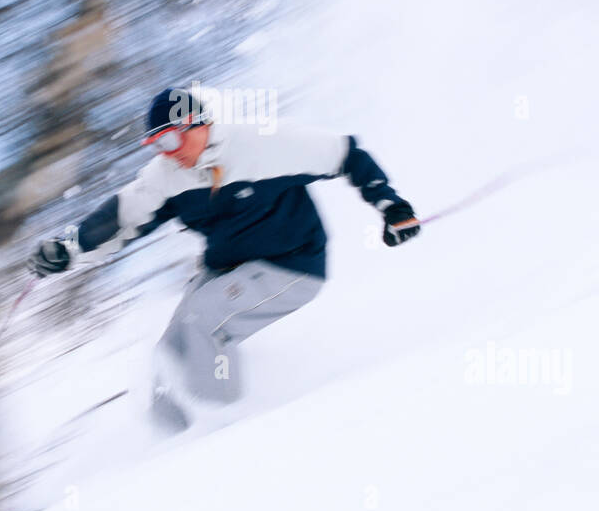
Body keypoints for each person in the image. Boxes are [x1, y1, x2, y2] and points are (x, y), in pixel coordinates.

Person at [29, 86, 420, 430]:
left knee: (205, 318)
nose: (167, 154)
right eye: (156, 146)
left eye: (168, 141)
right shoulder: (166, 176)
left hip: (291, 266)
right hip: (227, 270)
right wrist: (69, 248)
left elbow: (345, 153)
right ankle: (166, 445)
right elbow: (122, 218)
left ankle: (222, 430)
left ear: (196, 125)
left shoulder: (260, 144)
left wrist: (392, 207)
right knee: (171, 351)